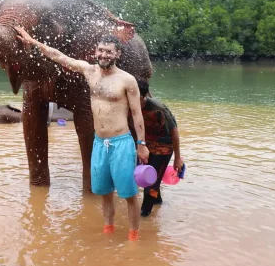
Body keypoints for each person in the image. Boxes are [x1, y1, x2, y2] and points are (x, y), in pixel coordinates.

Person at [14, 26, 149, 241]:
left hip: (121, 142)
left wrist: (141, 143)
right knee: (104, 191)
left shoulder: (127, 80)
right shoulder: (89, 71)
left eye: (109, 51)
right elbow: (59, 57)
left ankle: (133, 236)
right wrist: (33, 41)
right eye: (101, 50)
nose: (104, 54)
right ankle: (108, 229)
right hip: (99, 143)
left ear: (117, 54)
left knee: (128, 193)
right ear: (96, 52)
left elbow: (137, 114)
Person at [128, 77, 184, 217]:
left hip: (163, 148)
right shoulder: (127, 106)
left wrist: (177, 158)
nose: (133, 100)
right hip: (145, 146)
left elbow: (174, 133)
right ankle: (158, 203)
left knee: (150, 184)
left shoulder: (158, 108)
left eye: (137, 97)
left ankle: (145, 215)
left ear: (144, 96)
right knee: (146, 178)